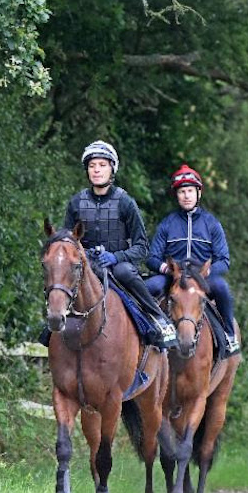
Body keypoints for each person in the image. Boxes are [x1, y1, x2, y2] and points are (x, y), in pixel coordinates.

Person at [62, 140, 177, 350]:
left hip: (117, 266)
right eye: (92, 166)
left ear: (111, 168)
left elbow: (142, 246)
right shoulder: (76, 203)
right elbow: (66, 243)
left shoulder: (125, 202)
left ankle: (157, 319)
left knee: (125, 271)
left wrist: (116, 257)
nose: (96, 170)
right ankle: (51, 329)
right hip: (86, 265)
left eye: (102, 165)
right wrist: (85, 254)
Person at [145, 164, 241, 357]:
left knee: (221, 288)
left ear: (198, 193)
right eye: (182, 192)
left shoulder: (211, 223)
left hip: (202, 277)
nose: (186, 195)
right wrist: (165, 269)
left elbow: (224, 259)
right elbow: (152, 257)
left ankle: (229, 335)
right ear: (177, 195)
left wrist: (207, 272)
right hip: (173, 276)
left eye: (190, 191)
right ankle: (146, 333)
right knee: (149, 287)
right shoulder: (167, 223)